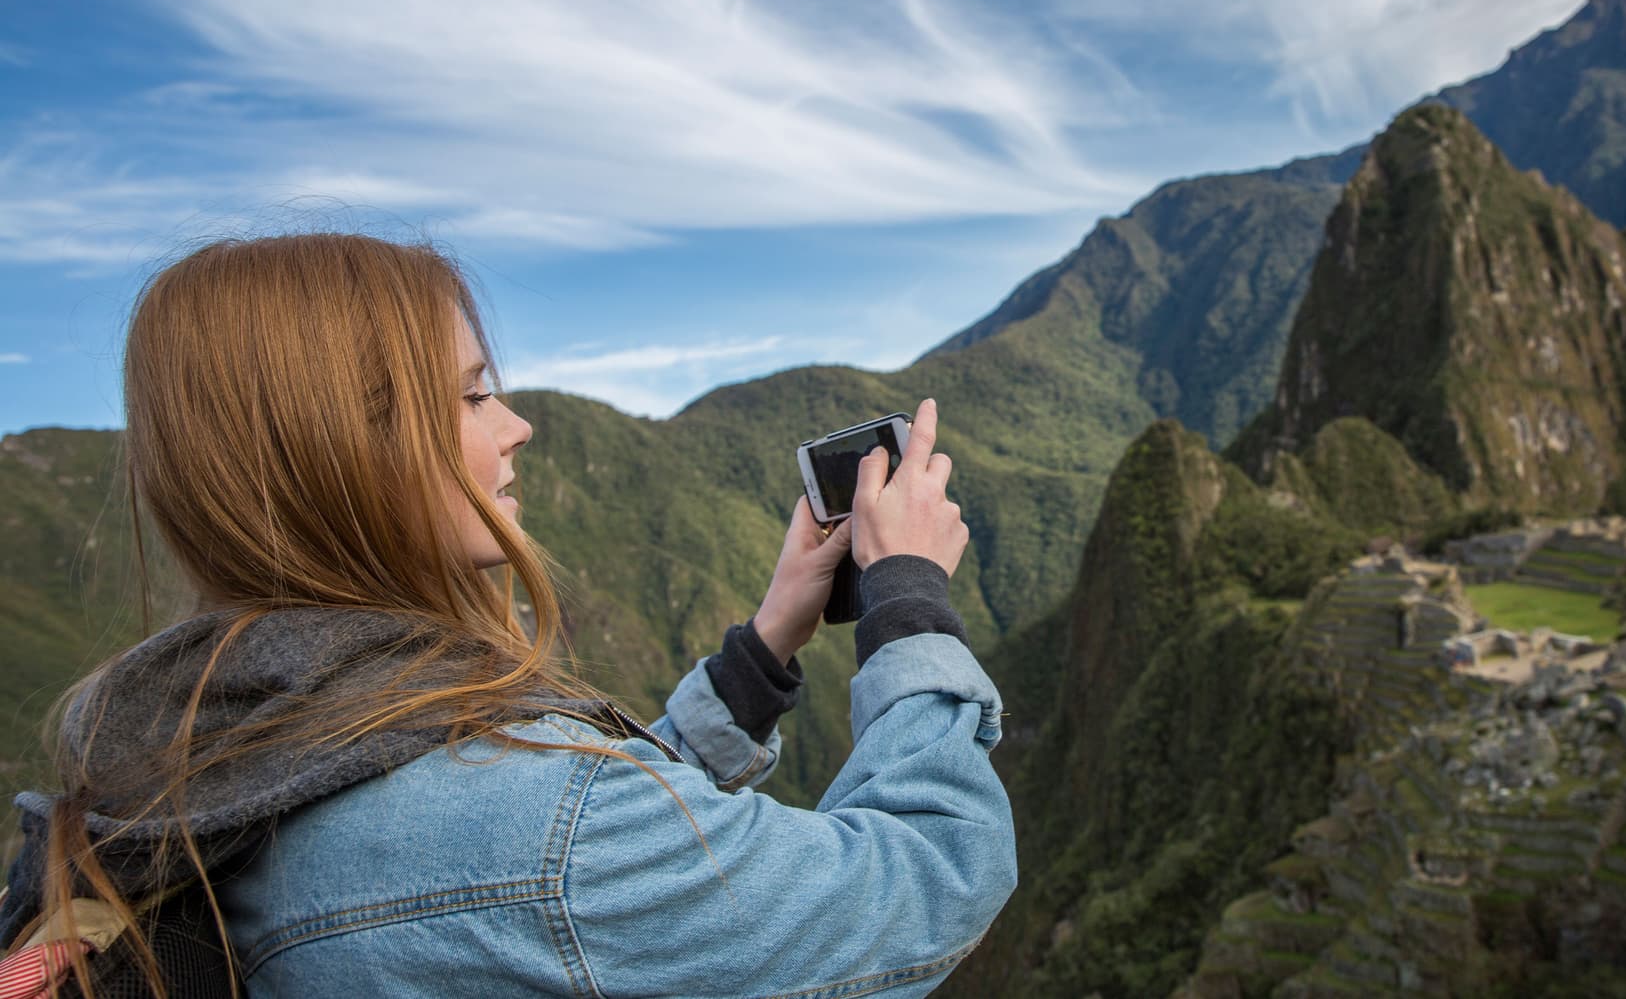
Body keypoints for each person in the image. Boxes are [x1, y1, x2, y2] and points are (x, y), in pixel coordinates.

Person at [0, 234, 1015, 997]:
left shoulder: (194, 742)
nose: (519, 424)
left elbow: (564, 850)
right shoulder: (537, 836)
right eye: (473, 395)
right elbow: (930, 882)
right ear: (350, 448)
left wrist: (767, 642)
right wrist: (909, 599)